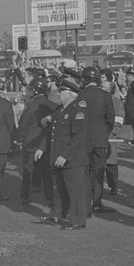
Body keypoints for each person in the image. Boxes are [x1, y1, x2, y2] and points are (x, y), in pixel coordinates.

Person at [36, 77, 90, 231]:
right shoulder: (60, 111)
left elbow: (78, 138)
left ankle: (78, 221)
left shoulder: (77, 112)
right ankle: (64, 216)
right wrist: (41, 148)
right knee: (63, 191)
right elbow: (51, 133)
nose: (58, 94)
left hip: (72, 160)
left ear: (71, 94)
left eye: (62, 91)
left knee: (75, 191)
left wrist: (65, 156)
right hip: (59, 158)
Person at [77, 66, 116, 215]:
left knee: (85, 172)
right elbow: (110, 118)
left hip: (83, 139)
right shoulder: (106, 95)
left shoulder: (80, 95)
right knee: (99, 172)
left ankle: (85, 204)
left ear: (85, 80)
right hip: (100, 139)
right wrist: (104, 133)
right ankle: (97, 202)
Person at [16, 77, 56, 209]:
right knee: (47, 172)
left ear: (35, 90)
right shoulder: (53, 105)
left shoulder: (31, 106)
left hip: (31, 143)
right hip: (47, 143)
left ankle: (24, 196)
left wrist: (19, 137)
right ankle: (50, 199)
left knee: (28, 171)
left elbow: (23, 125)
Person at [102, 70, 125, 196]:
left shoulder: (116, 102)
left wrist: (113, 133)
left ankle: (113, 186)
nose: (101, 89)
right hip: (98, 136)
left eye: (104, 88)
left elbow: (119, 120)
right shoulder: (97, 100)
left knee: (111, 163)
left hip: (110, 137)